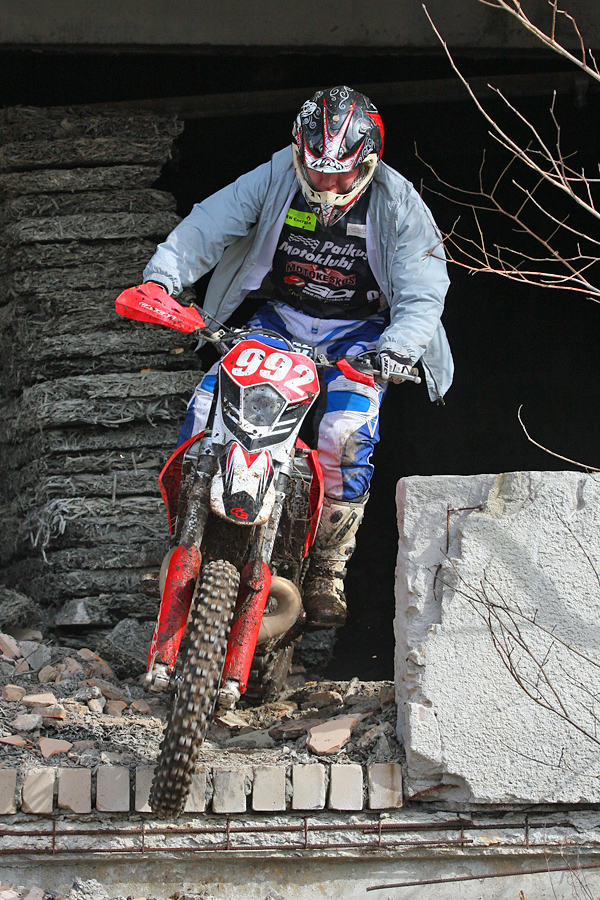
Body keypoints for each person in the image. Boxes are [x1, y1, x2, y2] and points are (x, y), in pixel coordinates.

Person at [141, 85, 453, 630]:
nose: (327, 186)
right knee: (208, 404)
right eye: (316, 171)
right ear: (298, 153)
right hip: (279, 321)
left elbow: (423, 289)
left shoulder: (400, 203)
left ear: (368, 163)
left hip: (363, 335)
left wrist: (399, 351)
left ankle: (328, 567)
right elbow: (208, 224)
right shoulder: (275, 176)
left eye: (341, 176)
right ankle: (184, 533)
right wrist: (162, 281)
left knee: (344, 432)